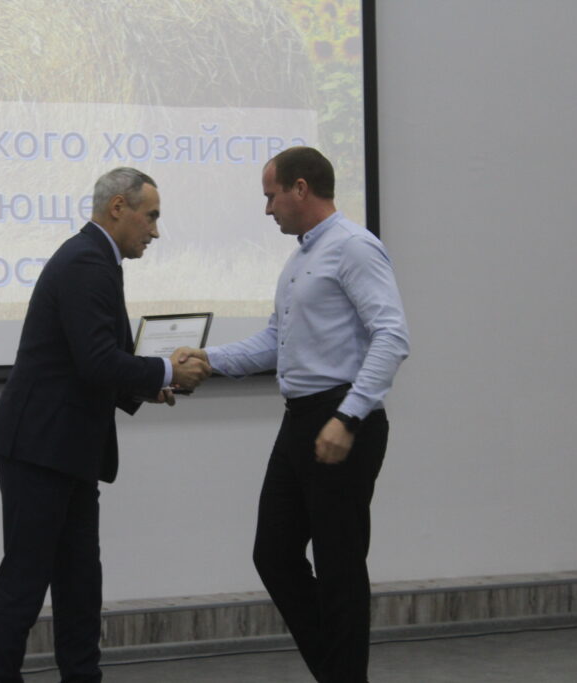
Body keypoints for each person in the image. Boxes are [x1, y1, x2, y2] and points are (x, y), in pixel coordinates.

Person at [177, 147, 409, 682]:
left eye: (271, 196)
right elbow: (274, 342)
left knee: (338, 565)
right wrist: (209, 359)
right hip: (301, 419)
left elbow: (392, 336)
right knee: (274, 554)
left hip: (342, 418)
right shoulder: (300, 258)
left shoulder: (353, 247)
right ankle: (338, 673)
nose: (268, 210)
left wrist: (348, 417)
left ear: (300, 188)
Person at [0, 167, 211, 682]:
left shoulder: (97, 258)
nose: (155, 231)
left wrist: (150, 386)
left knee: (80, 580)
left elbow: (96, 360)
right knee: (26, 583)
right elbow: (96, 361)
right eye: (151, 216)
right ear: (118, 208)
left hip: (66, 449)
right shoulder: (87, 261)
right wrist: (167, 370)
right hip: (41, 448)